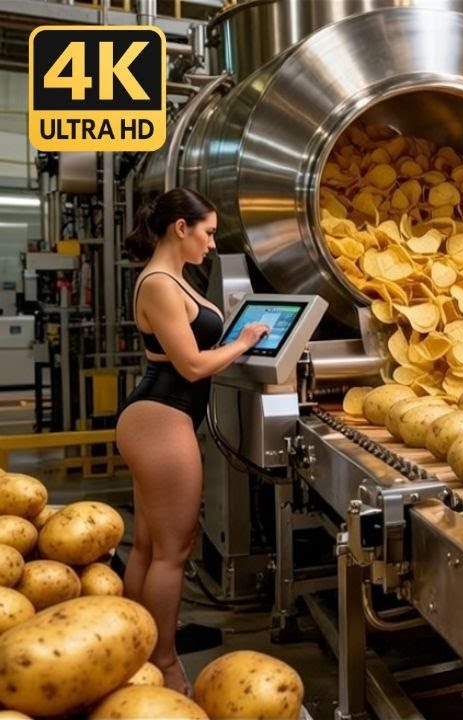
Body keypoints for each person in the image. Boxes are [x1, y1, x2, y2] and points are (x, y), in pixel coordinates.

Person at [116, 188, 269, 694]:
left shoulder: (174, 280)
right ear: (180, 228)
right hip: (162, 417)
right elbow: (193, 364)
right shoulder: (159, 283)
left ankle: (133, 649)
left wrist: (235, 345)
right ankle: (163, 663)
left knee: (148, 546)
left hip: (159, 416)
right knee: (173, 552)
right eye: (206, 232)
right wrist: (244, 343)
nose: (211, 242)